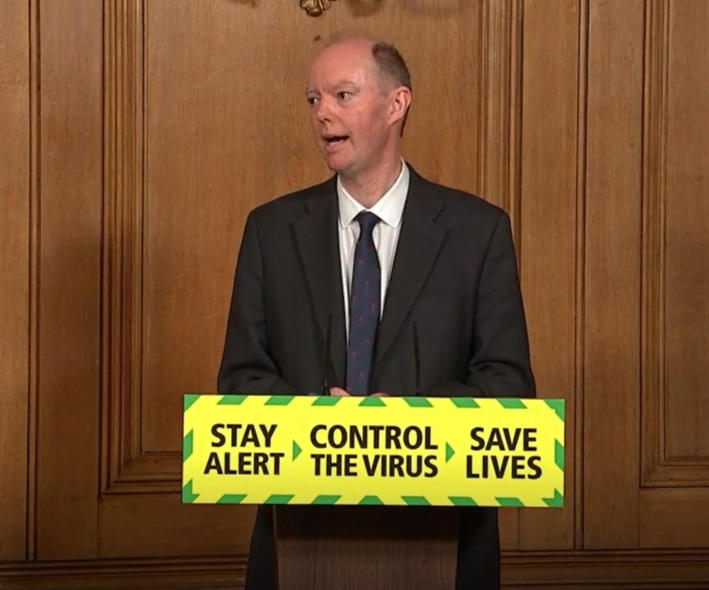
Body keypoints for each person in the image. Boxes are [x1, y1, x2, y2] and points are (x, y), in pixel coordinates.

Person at [218, 36, 535, 590]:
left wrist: (407, 422)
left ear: (396, 105)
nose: (323, 114)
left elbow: (508, 389)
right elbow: (240, 381)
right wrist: (320, 423)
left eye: (342, 94)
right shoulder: (270, 231)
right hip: (298, 542)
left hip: (446, 543)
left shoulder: (477, 232)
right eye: (313, 99)